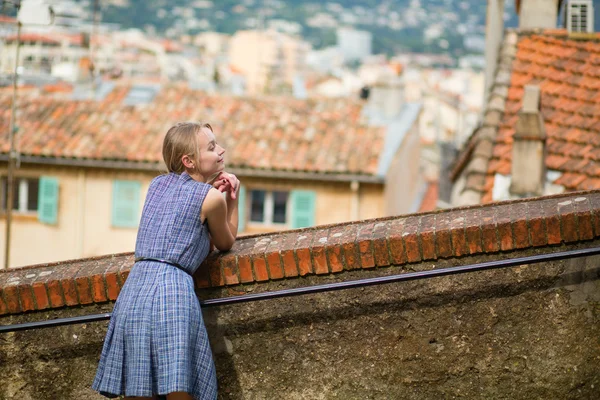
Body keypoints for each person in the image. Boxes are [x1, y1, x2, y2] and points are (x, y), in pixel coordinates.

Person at [92, 121, 240, 400]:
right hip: (172, 291)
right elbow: (225, 242)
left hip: (134, 290)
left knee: (139, 389)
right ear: (189, 161)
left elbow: (179, 226)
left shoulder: (157, 185)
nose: (221, 150)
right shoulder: (211, 198)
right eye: (211, 147)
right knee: (179, 389)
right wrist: (232, 199)